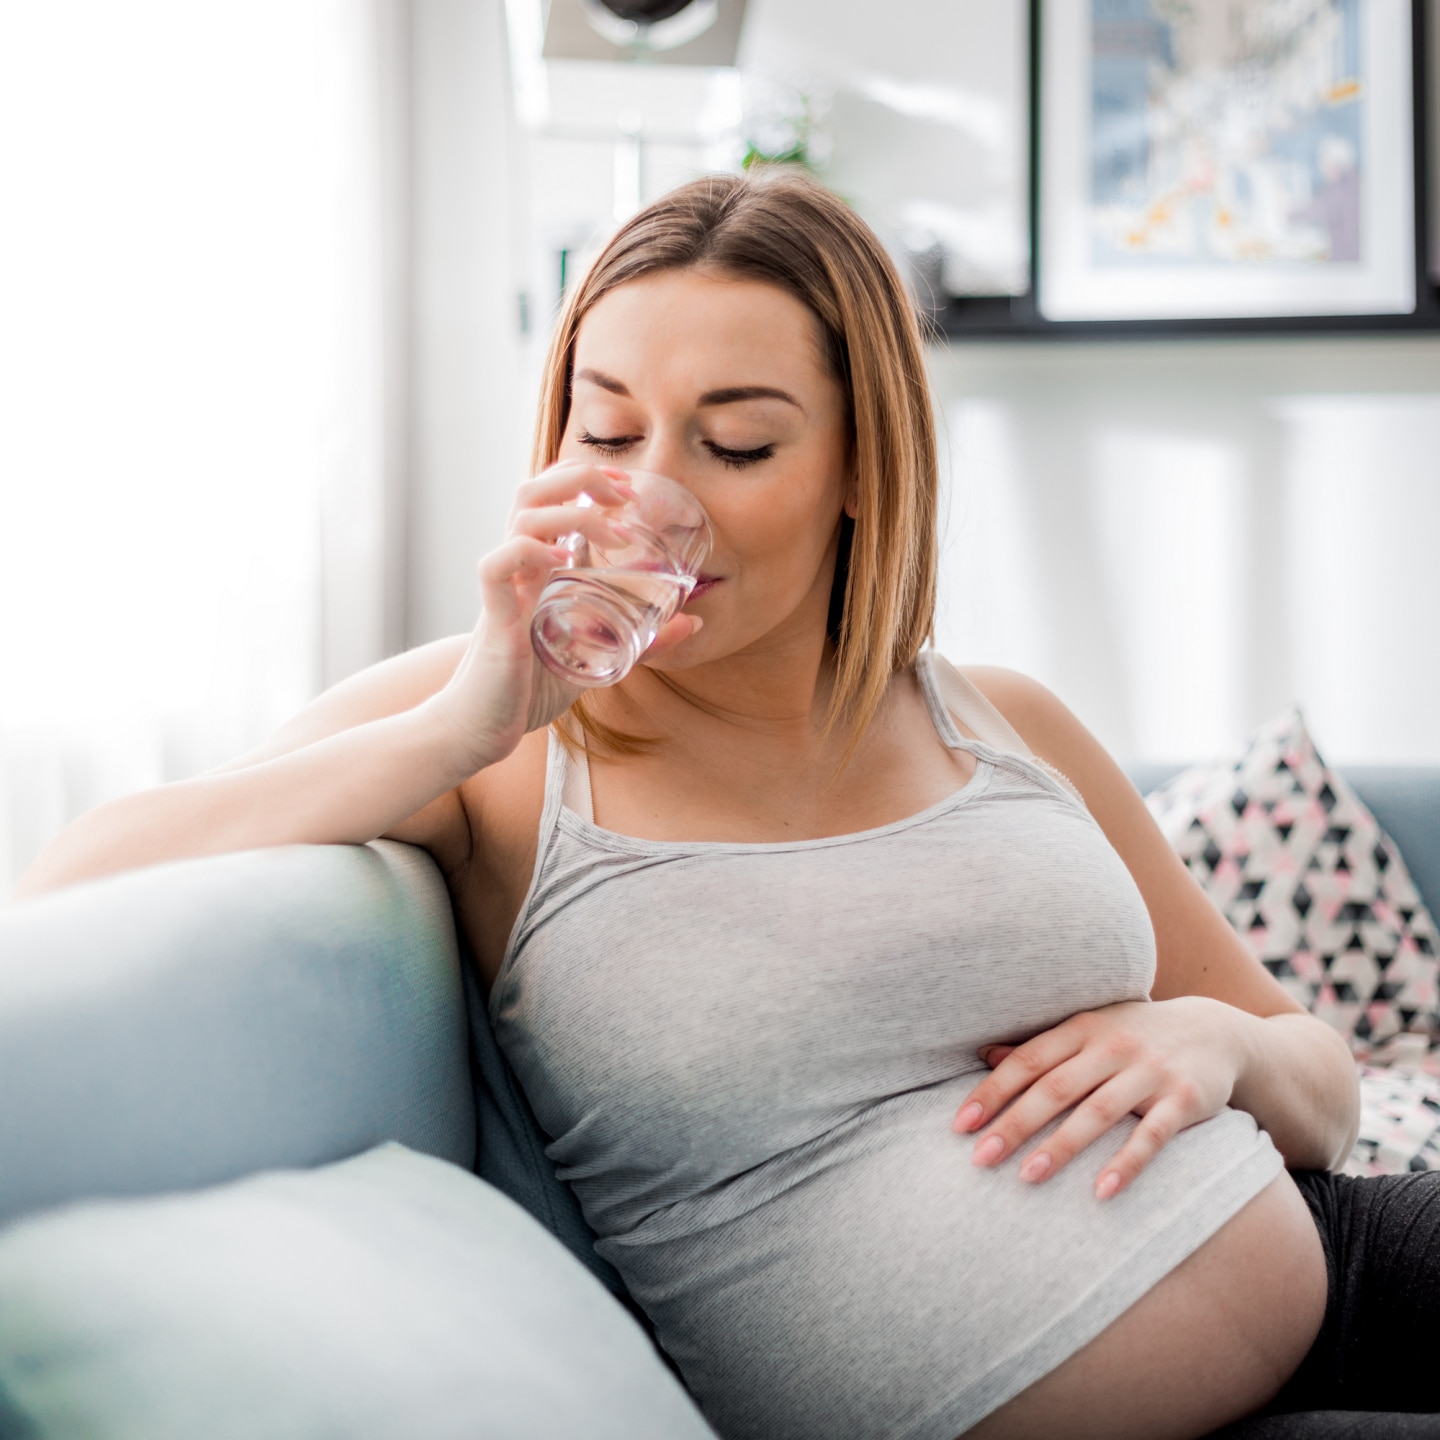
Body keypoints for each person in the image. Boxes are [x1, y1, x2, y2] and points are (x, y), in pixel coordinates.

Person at [19, 169, 1440, 1440]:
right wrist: (462, 721)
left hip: (1342, 1265)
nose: (653, 500)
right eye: (608, 432)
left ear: (861, 476)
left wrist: (1211, 1043)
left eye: (737, 446)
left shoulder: (1004, 719)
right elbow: (80, 876)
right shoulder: (503, 747)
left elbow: (1320, 1081)